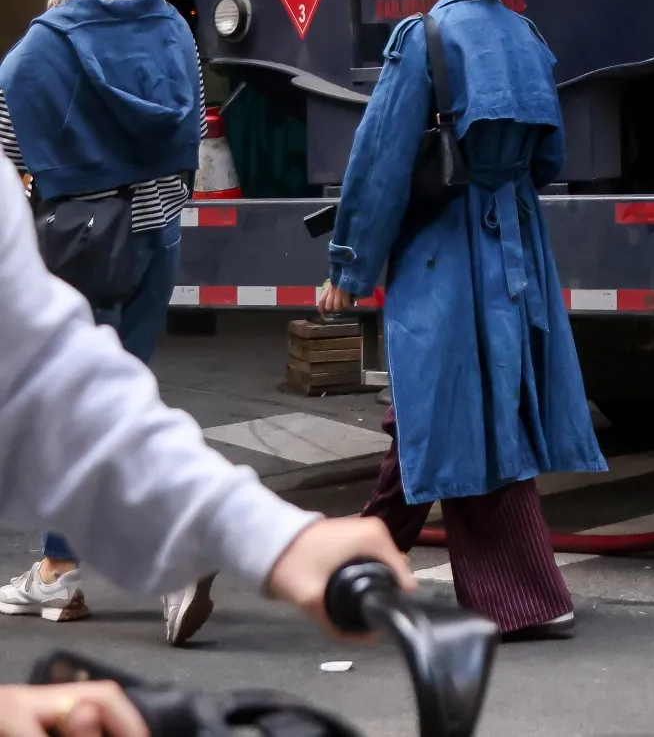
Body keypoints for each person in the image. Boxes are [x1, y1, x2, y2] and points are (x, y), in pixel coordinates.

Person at [0, 159, 415, 730]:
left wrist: (270, 537)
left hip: (77, 230)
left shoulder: (26, 72)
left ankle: (63, 568)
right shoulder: (175, 62)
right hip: (151, 229)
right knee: (127, 366)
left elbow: (43, 389)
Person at [317, 0, 604, 640]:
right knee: (463, 407)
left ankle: (518, 597)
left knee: (453, 412)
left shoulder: (424, 41)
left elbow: (377, 166)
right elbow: (550, 159)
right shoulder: (526, 36)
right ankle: (356, 565)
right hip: (515, 245)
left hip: (447, 252)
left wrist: (347, 269)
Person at [0, 0, 212, 639]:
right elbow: (191, 133)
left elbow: (13, 156)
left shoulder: (36, 53)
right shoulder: (177, 36)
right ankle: (60, 573)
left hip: (75, 248)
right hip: (156, 235)